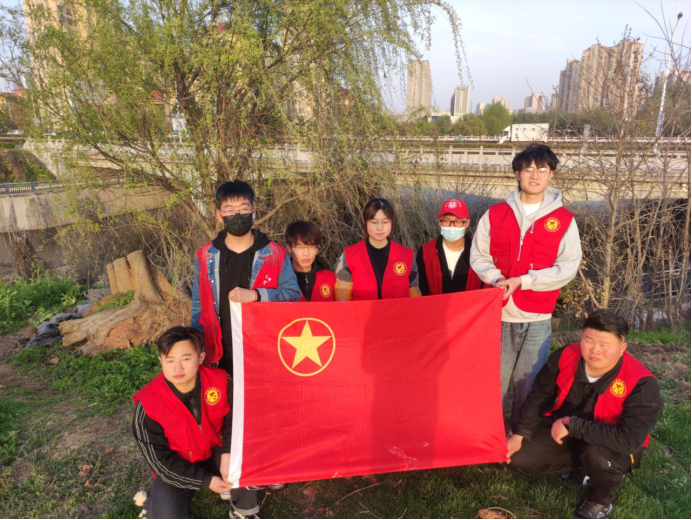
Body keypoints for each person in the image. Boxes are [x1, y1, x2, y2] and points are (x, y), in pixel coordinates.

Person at [506, 310, 662, 519]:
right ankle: (581, 469)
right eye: (589, 340)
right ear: (581, 337)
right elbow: (540, 395)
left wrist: (573, 425)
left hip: (611, 443)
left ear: (622, 348)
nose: (595, 350)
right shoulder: (566, 355)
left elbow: (628, 441)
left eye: (604, 344)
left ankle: (601, 500)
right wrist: (520, 433)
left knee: (598, 455)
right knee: (518, 457)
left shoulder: (642, 383)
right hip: (564, 431)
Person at [470, 144, 582, 432]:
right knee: (493, 382)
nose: (535, 175)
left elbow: (567, 267)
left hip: (537, 318)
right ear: (517, 173)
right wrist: (496, 278)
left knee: (529, 384)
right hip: (498, 314)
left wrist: (525, 281)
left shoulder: (565, 220)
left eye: (542, 169)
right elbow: (478, 255)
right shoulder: (495, 214)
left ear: (551, 174)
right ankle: (491, 436)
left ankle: (520, 437)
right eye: (528, 169)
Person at [132, 326, 259, 519]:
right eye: (170, 360)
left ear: (200, 358)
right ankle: (153, 504)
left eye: (185, 359)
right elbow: (160, 463)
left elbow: (238, 419)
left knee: (247, 457)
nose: (178, 368)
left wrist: (227, 452)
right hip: (178, 465)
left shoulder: (222, 381)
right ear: (161, 361)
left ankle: (243, 511)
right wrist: (206, 481)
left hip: (216, 452)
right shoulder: (148, 405)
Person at [191, 180, 301, 375]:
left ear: (253, 211)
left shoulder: (275, 253)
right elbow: (198, 307)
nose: (237, 215)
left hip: (264, 350)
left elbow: (293, 295)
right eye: (229, 210)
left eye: (243, 208)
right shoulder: (205, 255)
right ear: (219, 215)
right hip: (219, 352)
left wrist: (257, 295)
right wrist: (196, 347)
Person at [335, 198, 421, 301]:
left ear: (391, 223)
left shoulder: (406, 257)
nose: (380, 228)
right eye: (374, 222)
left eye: (385, 222)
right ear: (365, 223)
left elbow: (416, 300)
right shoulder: (348, 258)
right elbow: (342, 302)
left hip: (399, 312)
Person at [417, 198, 485, 295]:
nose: (452, 226)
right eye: (446, 221)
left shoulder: (480, 252)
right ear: (439, 222)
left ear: (467, 223)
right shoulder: (425, 252)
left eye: (458, 221)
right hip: (437, 305)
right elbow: (421, 290)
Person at [285, 220, 336, 302]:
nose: (306, 253)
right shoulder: (281, 281)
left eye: (311, 247)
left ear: (318, 248)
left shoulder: (332, 280)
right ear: (289, 248)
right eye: (300, 247)